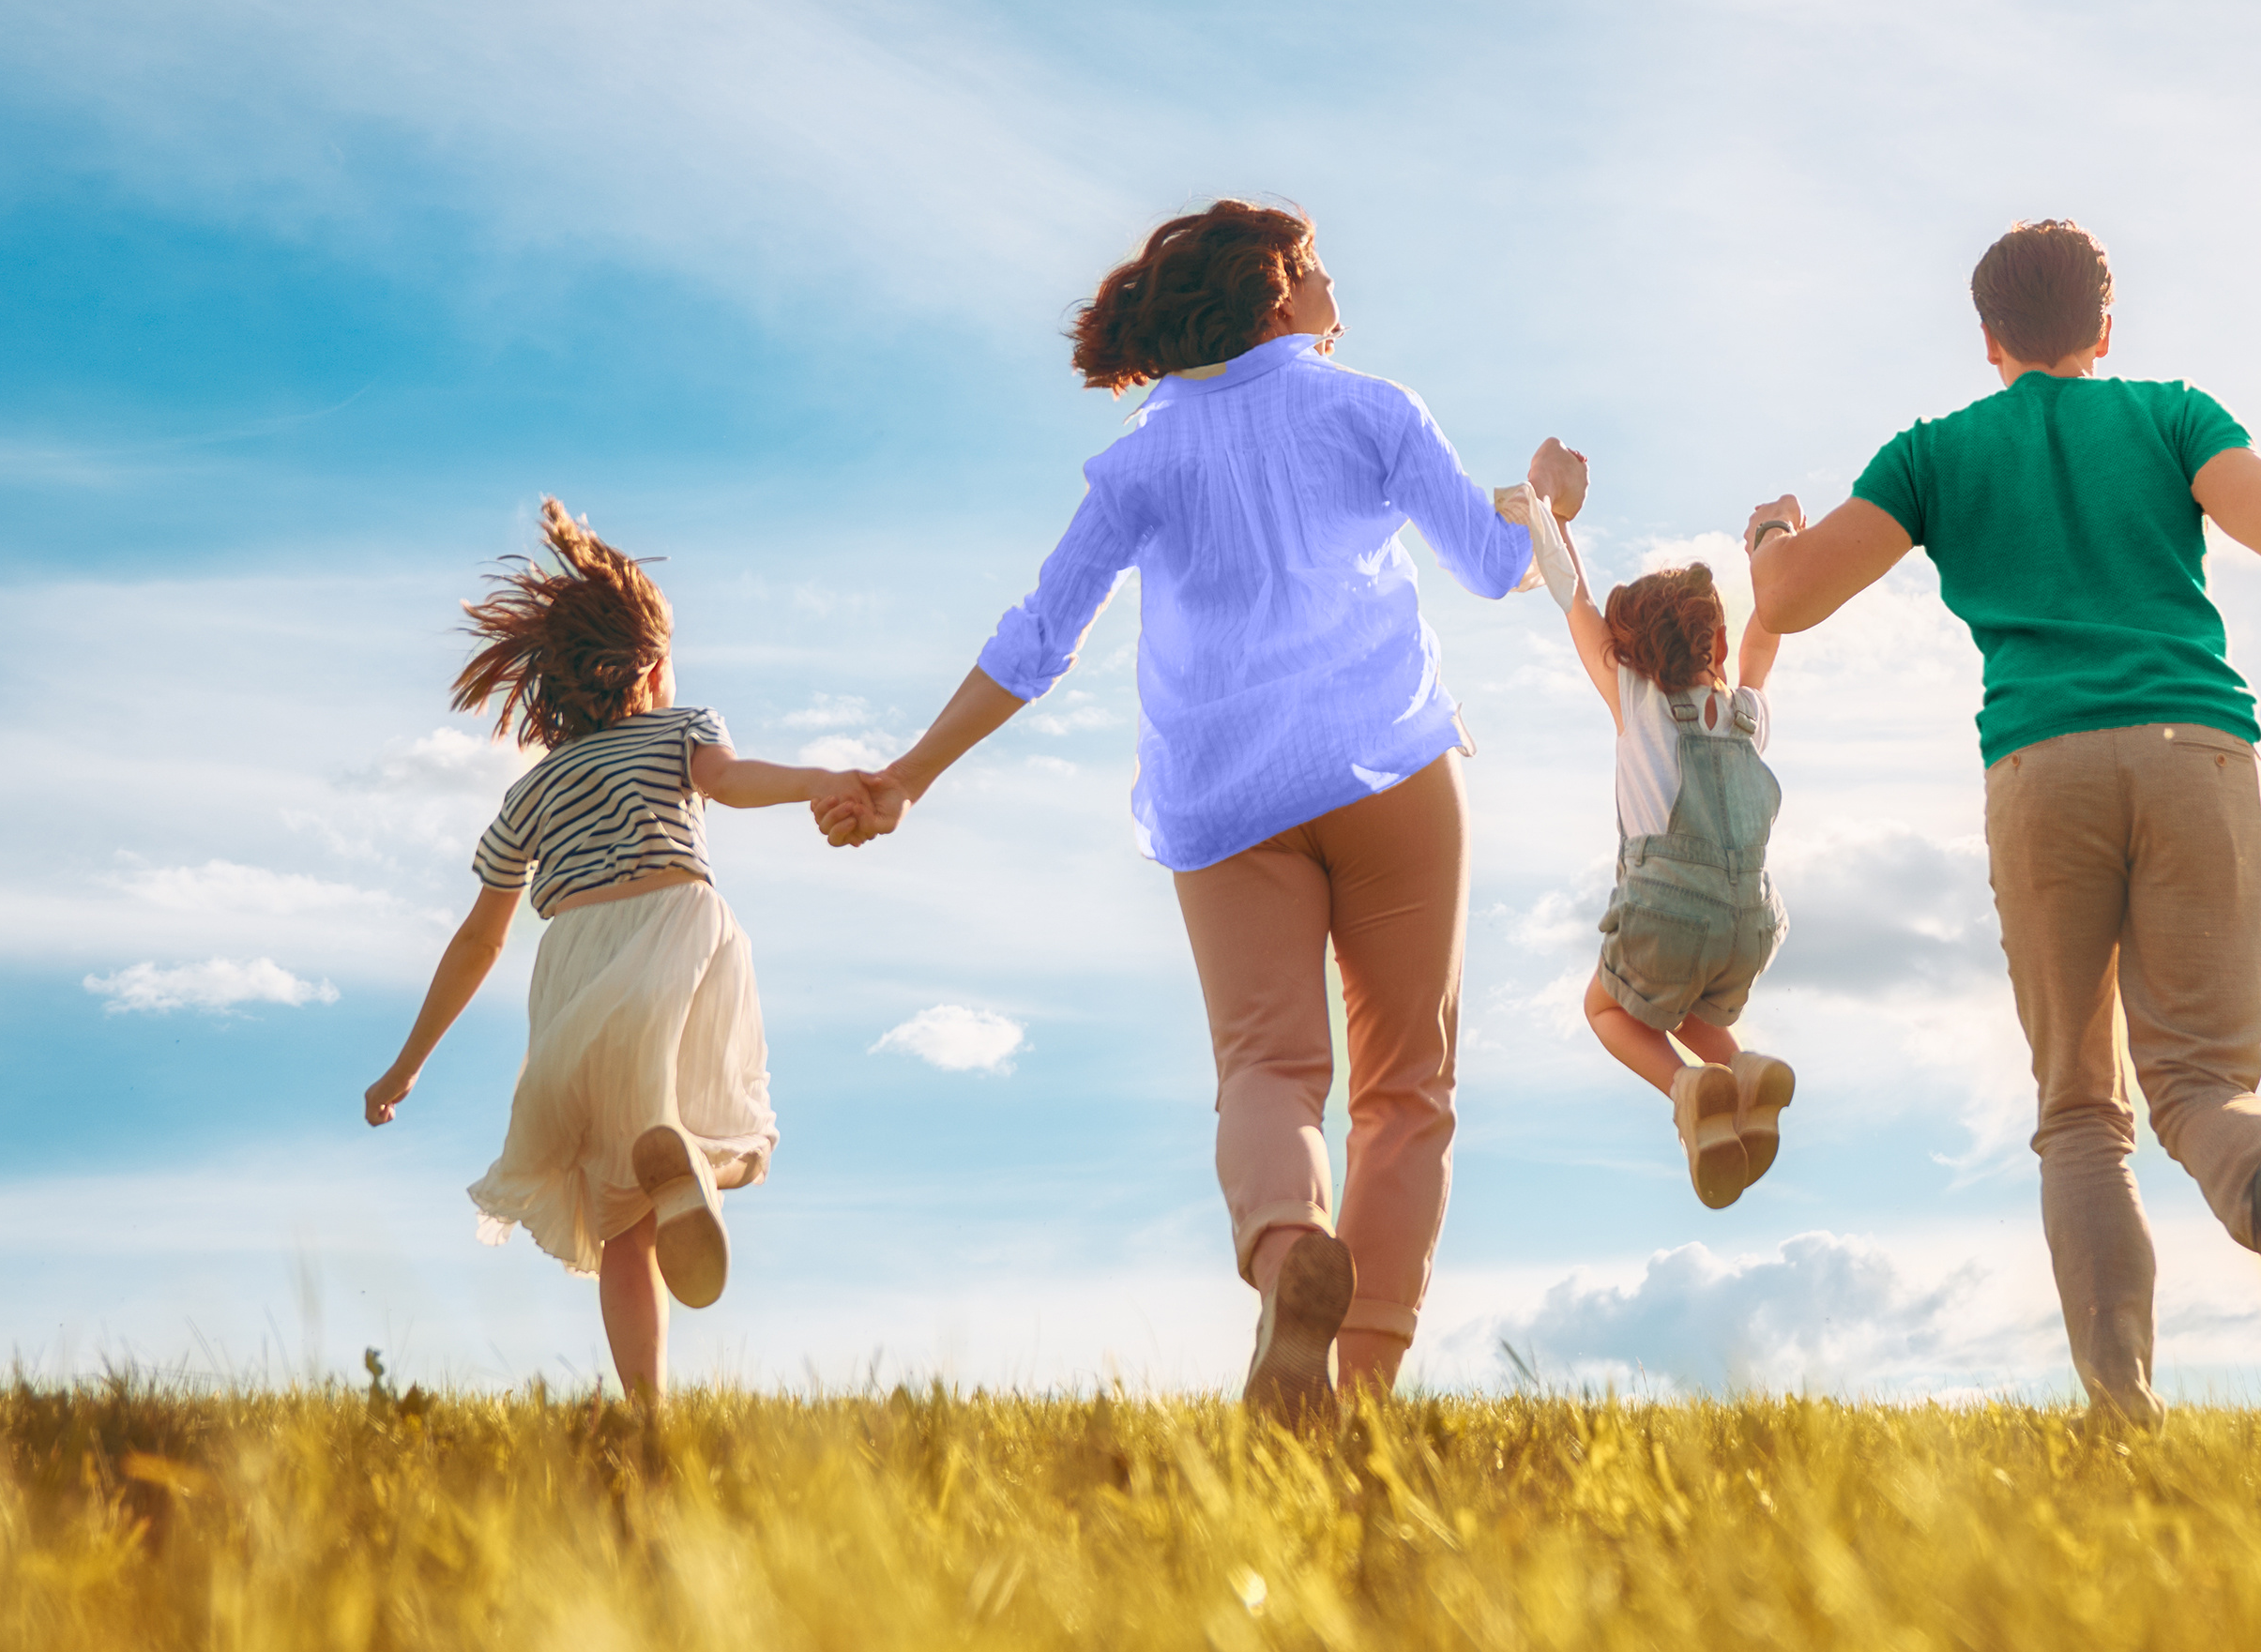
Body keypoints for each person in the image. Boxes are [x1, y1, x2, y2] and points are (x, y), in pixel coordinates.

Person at [833, 202, 1583, 1426]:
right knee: (1407, 1090)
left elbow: (1039, 640)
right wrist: (1550, 497)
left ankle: (1292, 1256)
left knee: (1268, 1070)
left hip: (1227, 800)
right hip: (1391, 770)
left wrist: (909, 774)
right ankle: (1364, 1395)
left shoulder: (1143, 457)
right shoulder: (1374, 408)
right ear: (1278, 294)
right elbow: (1502, 569)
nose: (1342, 286)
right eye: (1323, 268)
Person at [1743, 219, 2261, 1415]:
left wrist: (1770, 532)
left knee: (2082, 1108)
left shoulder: (1933, 453)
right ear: (2104, 327)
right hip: (2197, 751)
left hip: (2042, 771)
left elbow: (1788, 598)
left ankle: (2122, 1409)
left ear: (1987, 340)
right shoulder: (2171, 414)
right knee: (2199, 1083)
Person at [361, 499, 874, 1405]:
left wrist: (407, 1065)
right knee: (736, 1129)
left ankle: (646, 1410)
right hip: (677, 931)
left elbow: (480, 938)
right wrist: (818, 782)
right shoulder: (682, 730)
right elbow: (735, 782)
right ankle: (691, 1169)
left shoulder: (534, 789)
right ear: (652, 668)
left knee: (615, 1220)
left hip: (575, 976)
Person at [1519, 500, 1798, 1208]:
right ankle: (1742, 1071)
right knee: (1673, 1003)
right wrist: (1777, 537)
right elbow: (1769, 633)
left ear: (1630, 651)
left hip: (1668, 911)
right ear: (1719, 647)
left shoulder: (1636, 699)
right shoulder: (1745, 714)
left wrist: (1547, 514)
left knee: (1609, 1009)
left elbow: (1570, 591)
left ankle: (1685, 1088)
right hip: (1749, 924)